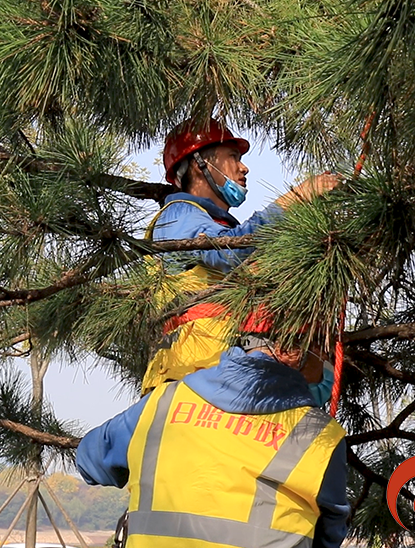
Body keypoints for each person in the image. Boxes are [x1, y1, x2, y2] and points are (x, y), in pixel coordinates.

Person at [76, 334, 349, 548]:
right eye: (324, 355)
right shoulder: (320, 435)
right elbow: (328, 535)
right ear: (293, 352)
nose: (330, 370)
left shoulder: (164, 402)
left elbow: (90, 461)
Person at [142, 117, 339, 397]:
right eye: (233, 157)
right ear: (200, 164)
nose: (243, 167)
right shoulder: (178, 214)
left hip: (224, 372)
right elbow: (228, 254)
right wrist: (297, 198)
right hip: (192, 375)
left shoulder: (218, 225)